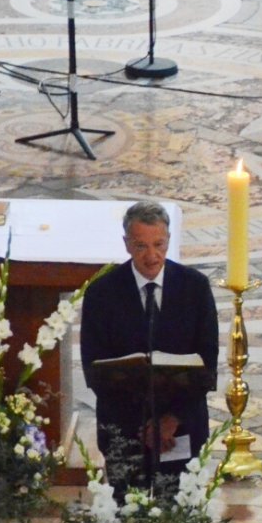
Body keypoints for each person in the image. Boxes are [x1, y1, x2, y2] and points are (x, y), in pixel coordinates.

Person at [81, 201, 219, 493]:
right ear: (126, 245)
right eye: (141, 246)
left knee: (180, 514)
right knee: (126, 515)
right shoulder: (101, 293)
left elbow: (207, 363)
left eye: (159, 244)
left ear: (169, 240)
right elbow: (94, 369)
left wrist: (170, 420)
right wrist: (144, 426)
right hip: (123, 427)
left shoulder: (195, 288)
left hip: (180, 428)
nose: (152, 256)